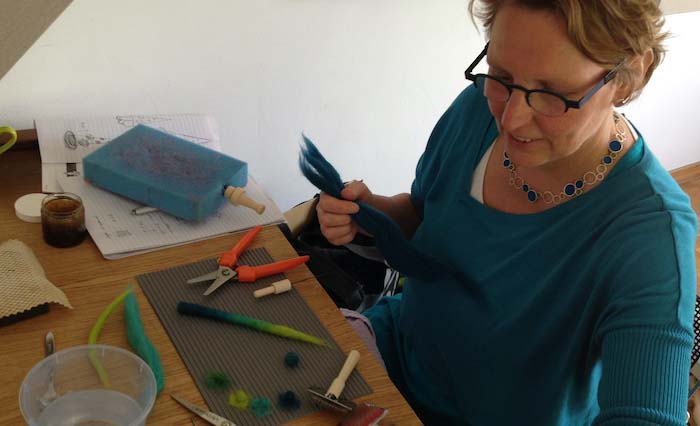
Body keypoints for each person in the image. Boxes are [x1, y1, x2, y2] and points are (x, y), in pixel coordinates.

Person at [316, 1, 698, 425]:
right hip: (394, 356)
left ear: (630, 77)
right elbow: (425, 217)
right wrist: (376, 215)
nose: (512, 118)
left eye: (553, 93)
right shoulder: (474, 111)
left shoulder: (648, 235)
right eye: (501, 77)